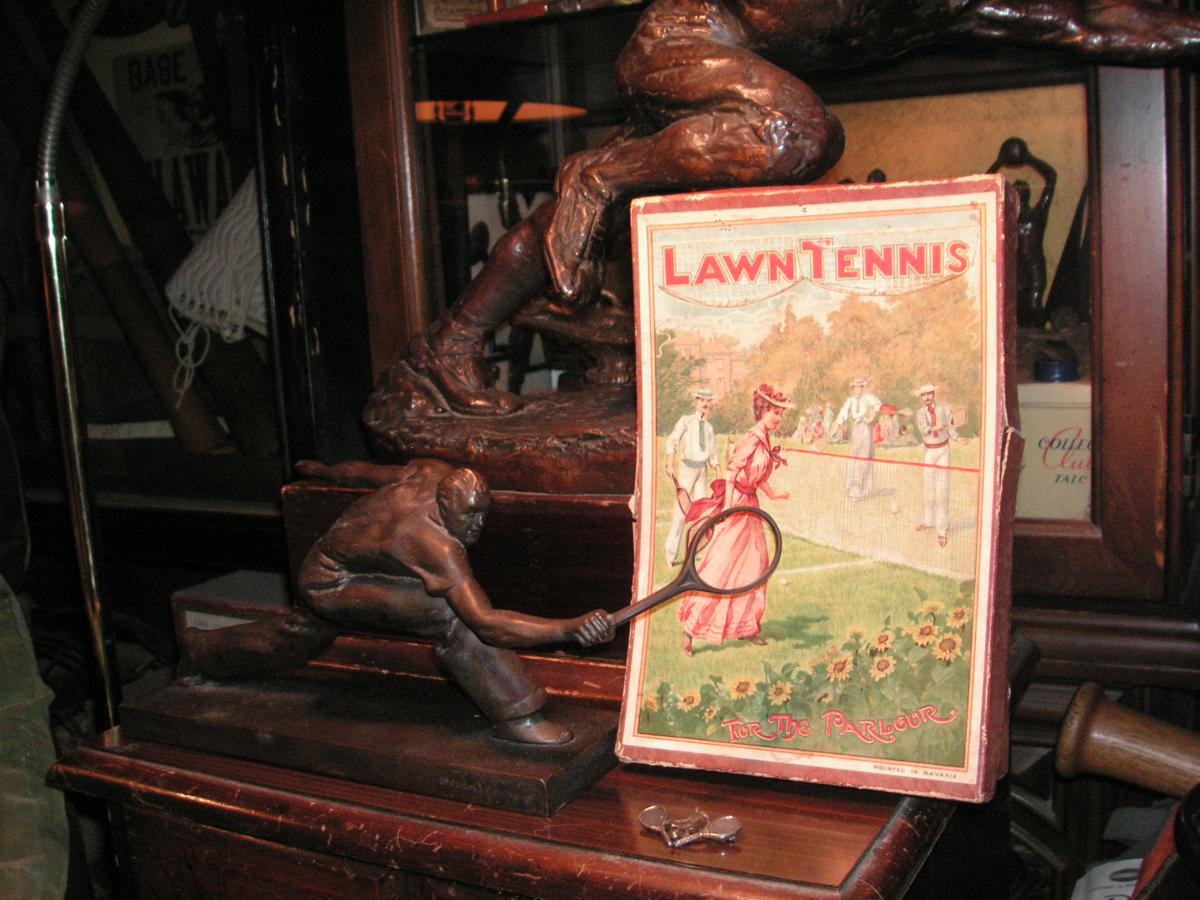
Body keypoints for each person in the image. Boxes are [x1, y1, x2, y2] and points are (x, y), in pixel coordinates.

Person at [410, 0, 1200, 415]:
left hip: (735, 79)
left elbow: (1091, 19)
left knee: (578, 219)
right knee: (797, 134)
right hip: (679, 44)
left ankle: (452, 340)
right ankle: (601, 175)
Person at [294, 458, 614, 744]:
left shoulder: (432, 473)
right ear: (444, 503)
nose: (479, 524)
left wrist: (326, 471)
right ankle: (517, 718)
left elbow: (366, 472)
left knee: (298, 634)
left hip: (338, 564)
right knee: (452, 615)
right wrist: (567, 629)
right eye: (469, 514)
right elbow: (486, 624)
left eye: (483, 511)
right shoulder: (435, 546)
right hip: (330, 585)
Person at [677, 384, 791, 655]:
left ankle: (747, 626)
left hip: (751, 504)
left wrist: (774, 495)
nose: (778, 418)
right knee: (722, 564)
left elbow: (757, 477)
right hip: (737, 503)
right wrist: (728, 508)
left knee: (756, 563)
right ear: (762, 411)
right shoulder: (752, 437)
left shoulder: (765, 439)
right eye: (775, 412)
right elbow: (732, 472)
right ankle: (691, 629)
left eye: (781, 414)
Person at [987, 137, 1057, 327]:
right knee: (1011, 311)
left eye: (1021, 190)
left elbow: (1051, 177)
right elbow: (982, 188)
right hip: (1013, 265)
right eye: (1015, 191)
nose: (1019, 193)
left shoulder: (1038, 213)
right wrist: (999, 162)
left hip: (1034, 264)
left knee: (1034, 307)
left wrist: (1029, 159)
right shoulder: (1003, 217)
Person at [664, 388, 719, 565]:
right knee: (681, 512)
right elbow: (672, 441)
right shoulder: (686, 421)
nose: (705, 404)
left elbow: (712, 454)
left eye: (708, 401)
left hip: (702, 471)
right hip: (687, 469)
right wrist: (670, 463)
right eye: (702, 400)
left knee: (702, 513)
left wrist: (717, 468)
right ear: (696, 402)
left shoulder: (709, 428)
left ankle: (698, 551)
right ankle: (671, 555)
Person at [913, 384, 970, 547]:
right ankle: (928, 521)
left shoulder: (944, 409)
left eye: (929, 394)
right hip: (929, 452)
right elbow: (924, 430)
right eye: (924, 395)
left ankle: (942, 531)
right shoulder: (920, 413)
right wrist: (937, 427)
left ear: (933, 394)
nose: (927, 397)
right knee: (928, 489)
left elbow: (951, 429)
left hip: (943, 451)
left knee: (942, 491)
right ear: (921, 397)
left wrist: (957, 438)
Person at [833, 377, 881, 500]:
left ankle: (864, 488)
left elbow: (877, 406)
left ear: (862, 388)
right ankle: (854, 487)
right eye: (855, 387)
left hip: (866, 429)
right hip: (856, 429)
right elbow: (843, 413)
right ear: (853, 388)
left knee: (865, 456)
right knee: (854, 456)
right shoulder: (850, 401)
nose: (857, 389)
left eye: (859, 387)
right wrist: (838, 423)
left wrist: (871, 418)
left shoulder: (868, 398)